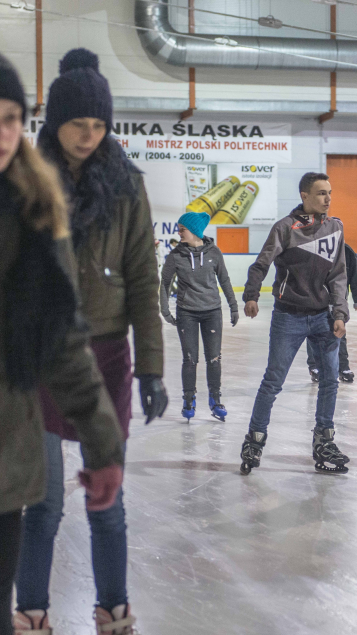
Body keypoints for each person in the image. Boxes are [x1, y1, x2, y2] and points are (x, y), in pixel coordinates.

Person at [15, 49, 168, 635]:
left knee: (108, 499)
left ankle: (114, 612)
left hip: (105, 356)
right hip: (44, 356)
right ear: (56, 121)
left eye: (99, 124)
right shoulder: (27, 181)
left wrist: (150, 368)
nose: (89, 135)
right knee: (44, 501)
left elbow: (144, 278)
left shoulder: (126, 187)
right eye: (78, 123)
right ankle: (32, 613)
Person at [0, 53, 125, 635]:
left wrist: (103, 444)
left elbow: (63, 340)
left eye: (10, 119)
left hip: (6, 456)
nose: (3, 134)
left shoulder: (33, 209)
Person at [240, 172, 351, 474]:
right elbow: (261, 263)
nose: (328, 198)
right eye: (321, 193)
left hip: (323, 316)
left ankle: (324, 441)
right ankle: (254, 440)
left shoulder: (335, 228)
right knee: (273, 381)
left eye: (329, 192)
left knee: (329, 381)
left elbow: (339, 275)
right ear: (304, 196)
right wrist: (251, 295)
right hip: (288, 316)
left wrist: (340, 313)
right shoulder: (285, 228)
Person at [160, 212, 239, 422]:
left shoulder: (214, 253)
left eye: (182, 229)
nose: (179, 233)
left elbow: (224, 280)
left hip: (212, 312)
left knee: (214, 358)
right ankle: (189, 399)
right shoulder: (176, 255)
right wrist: (165, 309)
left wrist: (233, 306)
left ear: (194, 231)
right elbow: (165, 282)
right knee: (190, 359)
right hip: (187, 312)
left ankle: (215, 399)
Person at [307, 243, 357, 383]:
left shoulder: (346, 250)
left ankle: (343, 367)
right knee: (314, 333)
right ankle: (315, 366)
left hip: (338, 300)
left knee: (340, 333)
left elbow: (356, 275)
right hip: (315, 300)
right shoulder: (315, 245)